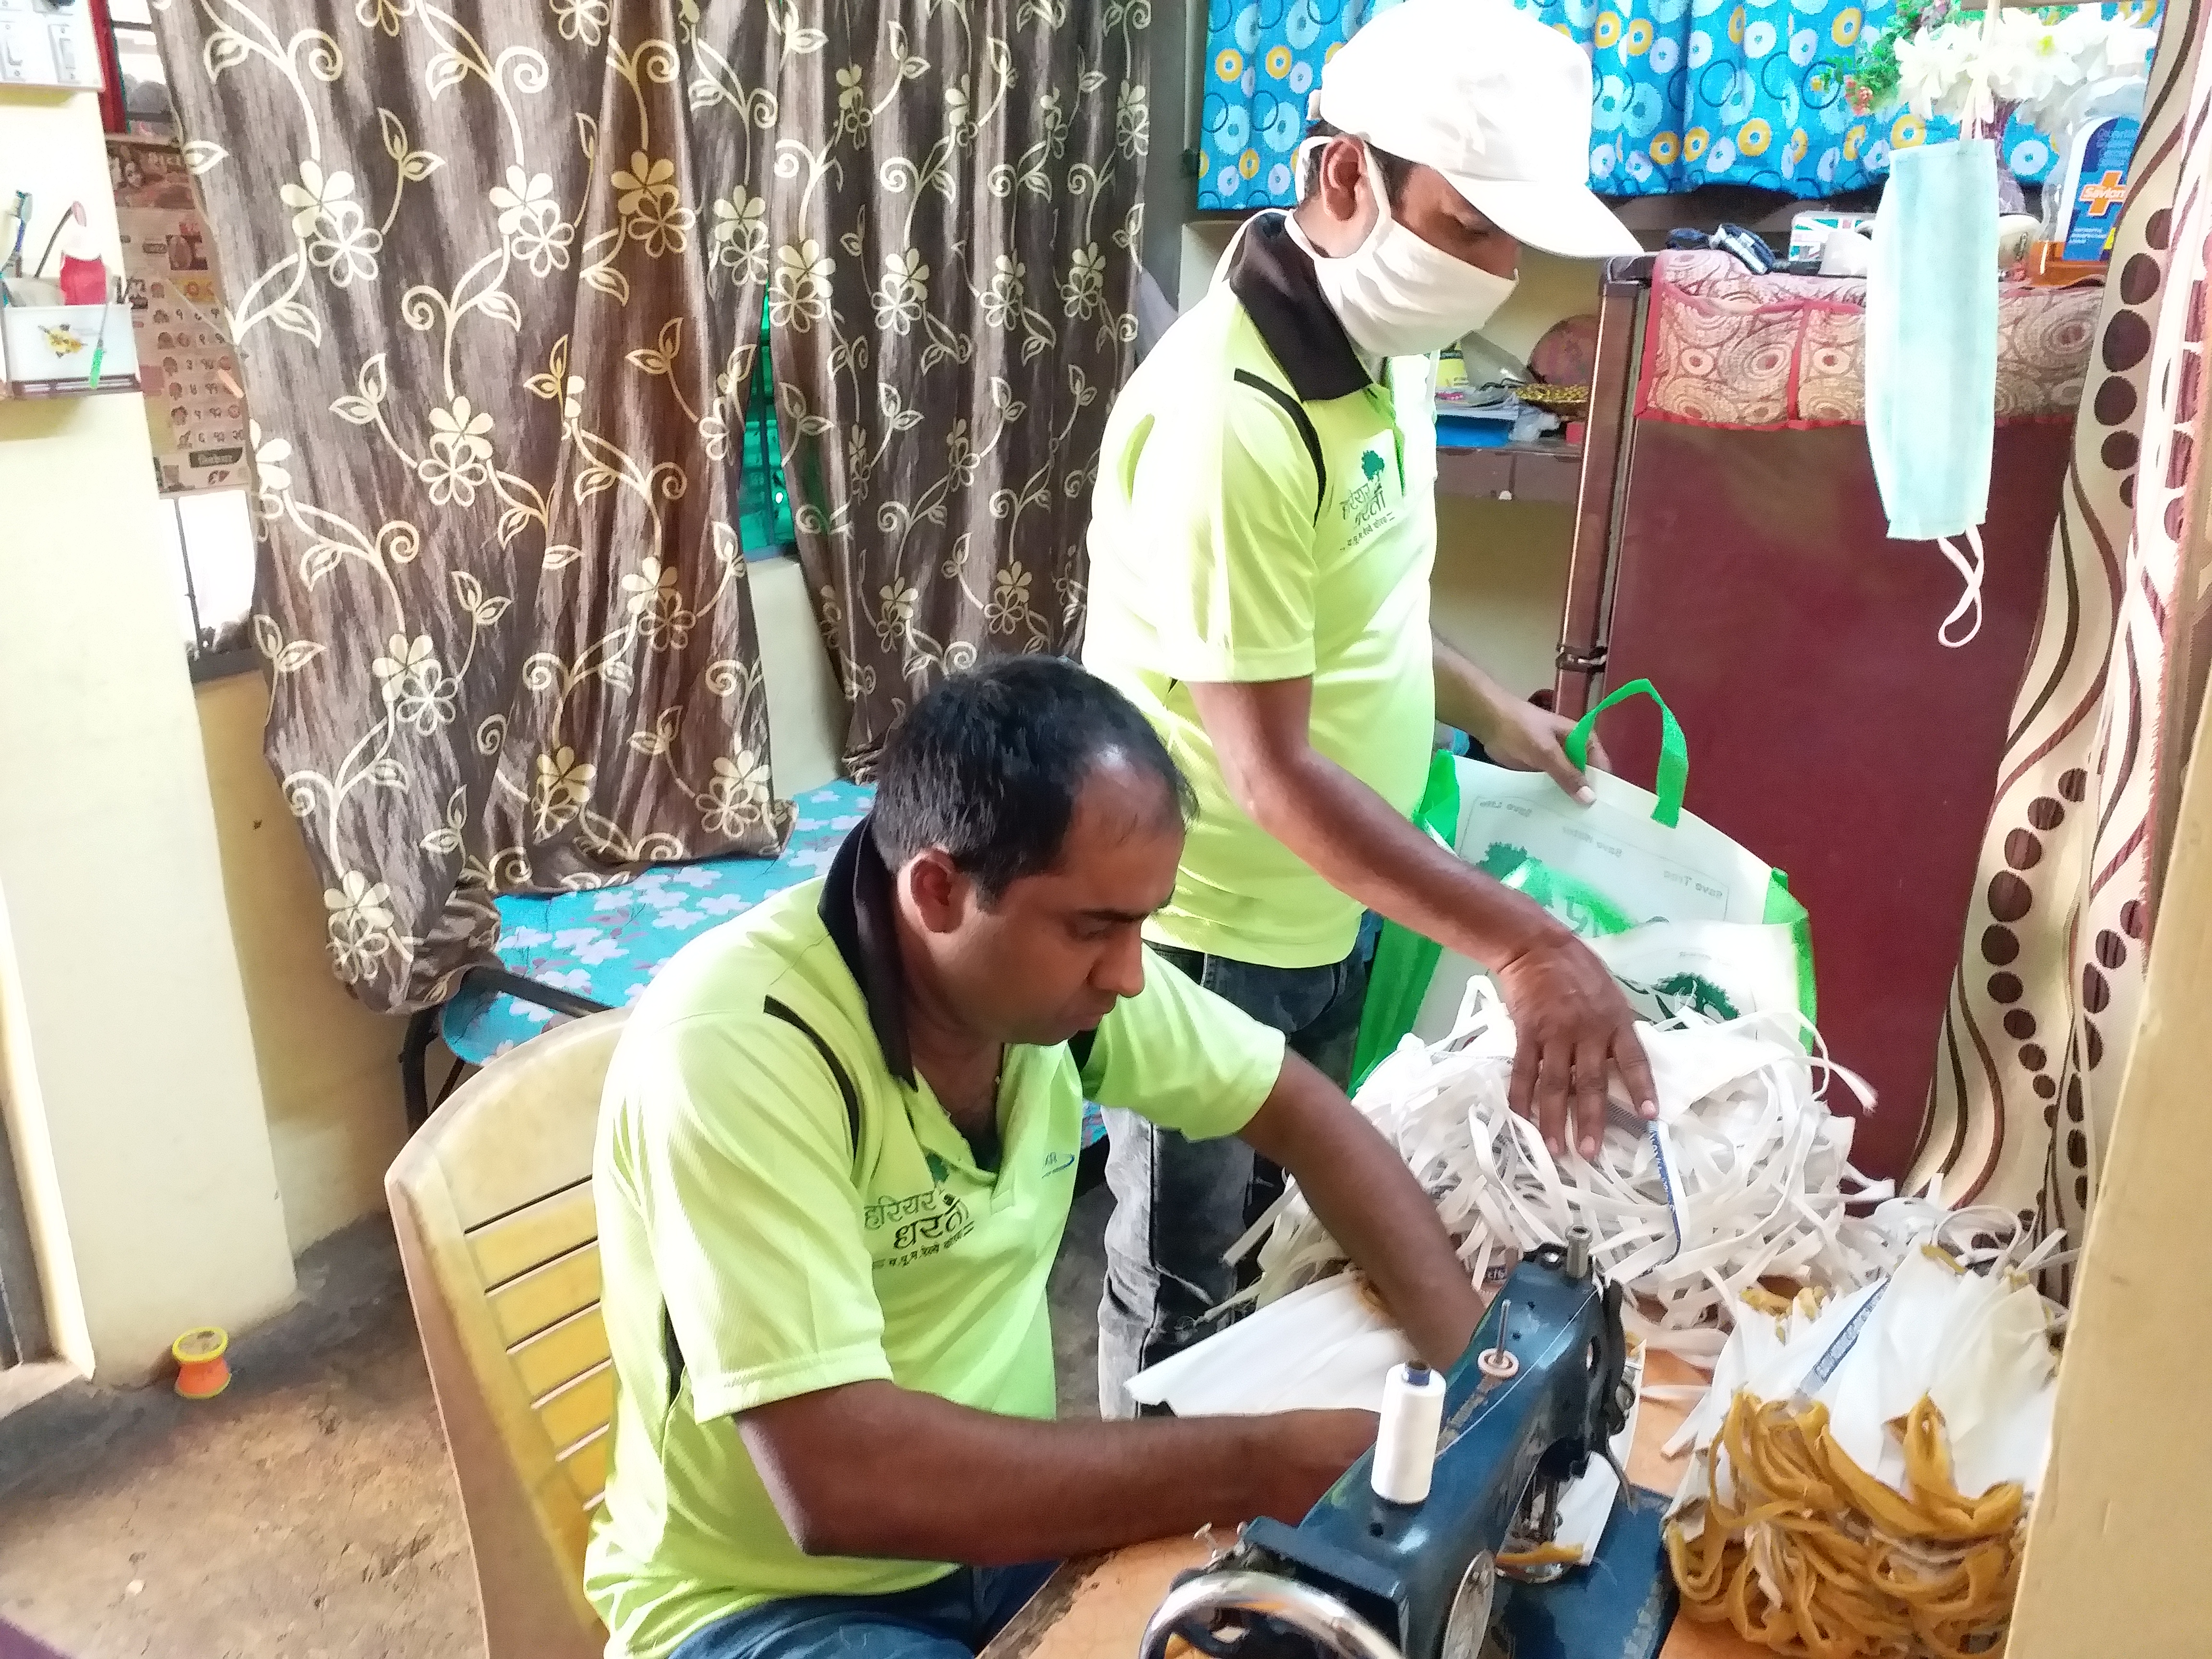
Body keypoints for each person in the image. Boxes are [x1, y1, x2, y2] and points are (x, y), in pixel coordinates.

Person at [587, 657, 1487, 1659]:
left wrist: (1484, 1383)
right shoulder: (745, 1049)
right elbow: (838, 1482)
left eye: (1144, 922)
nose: (1132, 972)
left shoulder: (1046, 997)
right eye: (1096, 927)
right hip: (769, 1599)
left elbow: (1304, 1114)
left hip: (997, 1536)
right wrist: (1250, 1465)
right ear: (936, 891)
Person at [1082, 0, 1659, 1412]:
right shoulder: (1235, 418)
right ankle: (1137, 1561)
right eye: (1470, 226)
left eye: (1512, 238)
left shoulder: (1386, 346)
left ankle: (1258, 1490)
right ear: (1350, 178)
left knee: (1285, 1240)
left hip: (1335, 903)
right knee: (1183, 1279)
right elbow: (1271, 770)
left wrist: (1478, 708)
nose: (1498, 272)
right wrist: (1526, 946)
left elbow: (1366, 597)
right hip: (1216, 926)